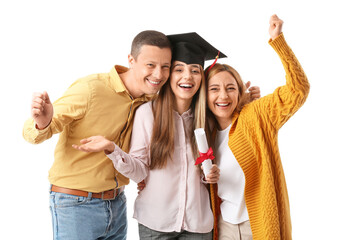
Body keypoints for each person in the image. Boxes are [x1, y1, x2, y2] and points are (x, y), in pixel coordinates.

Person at [73, 32, 261, 239]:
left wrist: (245, 105)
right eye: (178, 69)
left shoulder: (209, 118)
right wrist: (112, 149)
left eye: (195, 70)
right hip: (156, 223)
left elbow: (229, 147)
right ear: (169, 75)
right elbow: (139, 172)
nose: (187, 77)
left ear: (202, 78)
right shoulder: (146, 114)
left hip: (198, 225)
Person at [22, 30, 172, 240]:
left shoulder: (149, 102)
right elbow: (32, 133)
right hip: (76, 204)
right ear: (131, 60)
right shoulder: (92, 89)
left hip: (117, 204)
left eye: (165, 67)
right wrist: (43, 122)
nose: (158, 74)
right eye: (151, 65)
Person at [205, 15, 310, 240]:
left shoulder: (256, 115)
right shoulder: (205, 132)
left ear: (240, 91)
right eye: (214, 89)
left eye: (230, 88)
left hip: (258, 224)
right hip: (224, 226)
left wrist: (278, 41)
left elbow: (298, 89)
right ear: (204, 96)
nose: (223, 95)